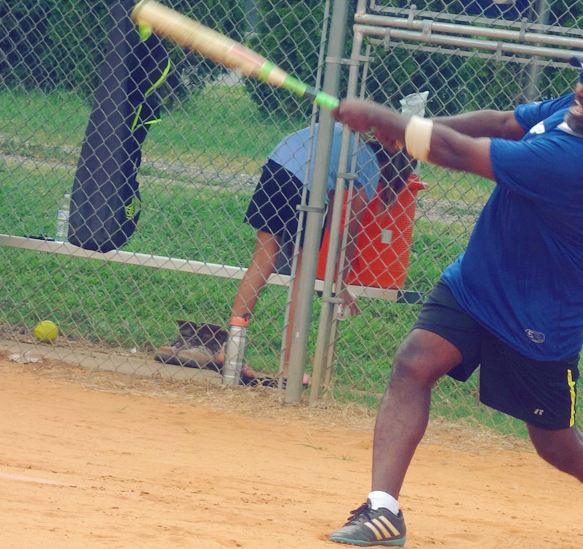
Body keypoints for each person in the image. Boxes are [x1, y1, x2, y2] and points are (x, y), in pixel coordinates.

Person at [324, 49, 583, 549]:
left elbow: (463, 153)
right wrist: (412, 131)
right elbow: (501, 122)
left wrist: (392, 123)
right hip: (479, 280)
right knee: (413, 363)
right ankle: (383, 510)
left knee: (558, 446)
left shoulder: (579, 161)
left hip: (540, 312)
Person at [155, 121, 410, 383]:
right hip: (304, 185)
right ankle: (290, 366)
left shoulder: (342, 131)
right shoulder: (368, 162)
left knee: (263, 259)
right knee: (303, 271)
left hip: (276, 166)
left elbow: (333, 203)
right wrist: (340, 283)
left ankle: (231, 352)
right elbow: (348, 231)